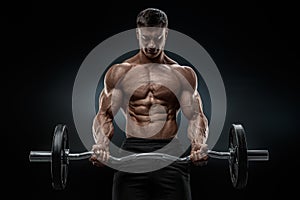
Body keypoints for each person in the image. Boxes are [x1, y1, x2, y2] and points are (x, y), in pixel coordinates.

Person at [90, 8, 209, 200]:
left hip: (170, 152)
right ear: (137, 34)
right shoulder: (119, 73)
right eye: (145, 38)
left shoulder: (183, 74)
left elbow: (196, 115)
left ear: (166, 34)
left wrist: (198, 144)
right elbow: (105, 114)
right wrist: (102, 145)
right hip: (132, 151)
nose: (152, 44)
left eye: (157, 38)